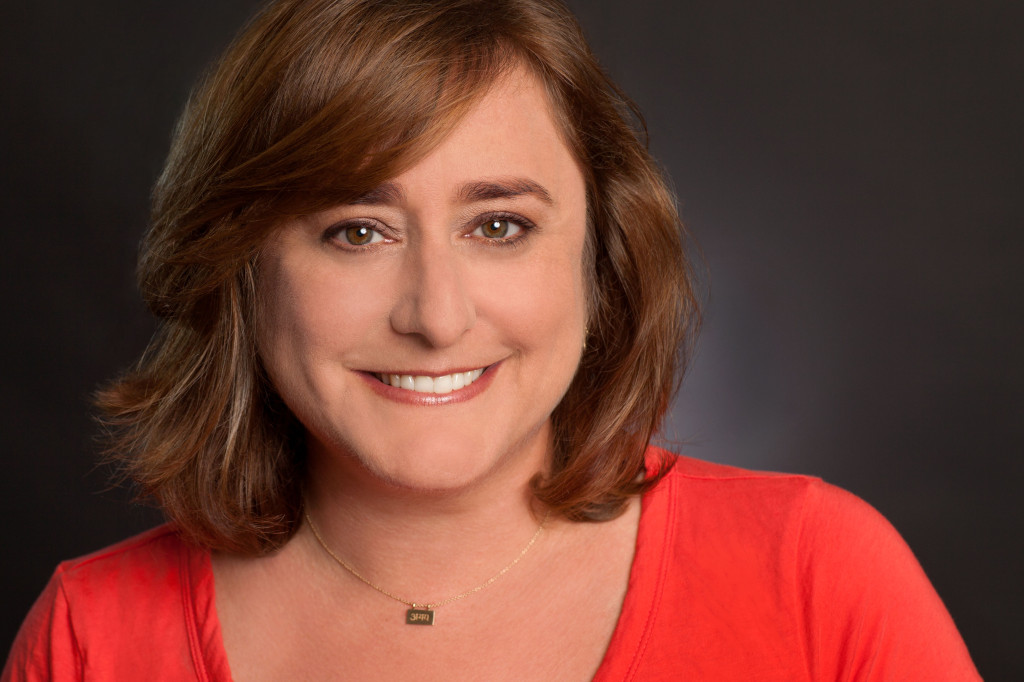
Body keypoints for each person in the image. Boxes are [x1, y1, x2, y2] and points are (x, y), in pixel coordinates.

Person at [3, 0, 980, 679]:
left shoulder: (816, 575)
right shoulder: (92, 635)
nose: (435, 315)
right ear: (240, 268)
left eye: (498, 224)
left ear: (597, 255)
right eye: (355, 231)